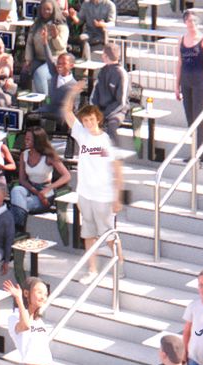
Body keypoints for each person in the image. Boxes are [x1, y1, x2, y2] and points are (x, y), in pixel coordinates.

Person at [60, 84, 122, 276]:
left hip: (103, 195)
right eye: (85, 120)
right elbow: (67, 111)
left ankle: (119, 263)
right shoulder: (81, 134)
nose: (88, 123)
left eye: (91, 119)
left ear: (98, 119)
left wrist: (118, 197)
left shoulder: (105, 141)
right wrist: (73, 92)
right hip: (85, 193)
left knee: (108, 233)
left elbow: (117, 170)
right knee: (88, 234)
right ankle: (92, 269)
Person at [176, 6, 203, 139]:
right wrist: (176, 86)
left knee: (198, 118)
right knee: (190, 118)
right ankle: (195, 150)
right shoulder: (181, 39)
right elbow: (179, 62)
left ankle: (198, 153)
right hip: (186, 81)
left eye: (194, 21)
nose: (192, 24)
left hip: (200, 82)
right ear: (185, 22)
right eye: (189, 21)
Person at [11, 127, 72, 219]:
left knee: (19, 205)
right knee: (16, 190)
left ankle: (17, 229)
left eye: (28, 139)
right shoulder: (24, 154)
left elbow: (66, 176)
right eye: (25, 138)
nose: (25, 141)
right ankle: (18, 227)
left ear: (37, 141)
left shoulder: (49, 156)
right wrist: (35, 192)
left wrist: (46, 190)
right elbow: (22, 180)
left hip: (45, 190)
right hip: (30, 188)